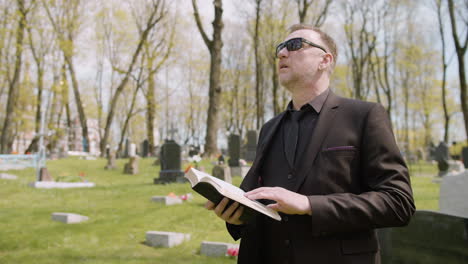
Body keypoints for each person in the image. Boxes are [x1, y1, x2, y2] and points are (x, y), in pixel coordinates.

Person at [205, 24, 415, 264]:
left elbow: (398, 202)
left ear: (324, 60)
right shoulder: (269, 128)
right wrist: (237, 217)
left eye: (294, 46)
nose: (282, 53)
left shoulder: (364, 116)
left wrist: (309, 204)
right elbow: (262, 202)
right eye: (280, 49)